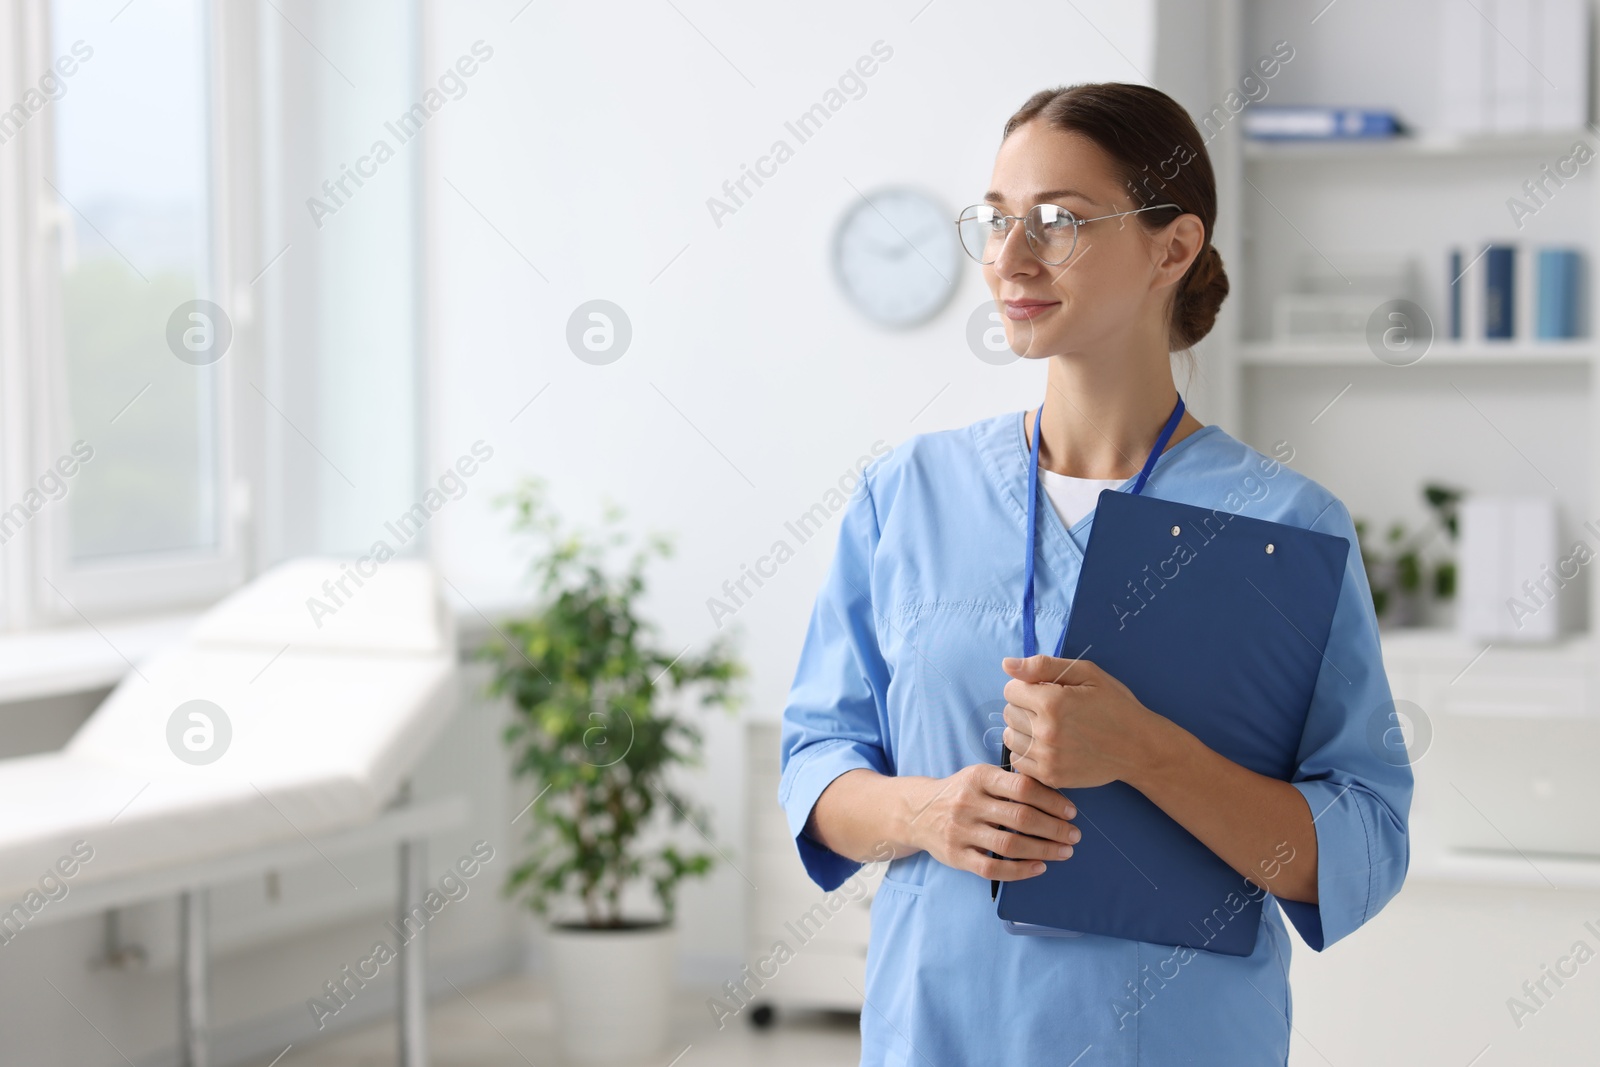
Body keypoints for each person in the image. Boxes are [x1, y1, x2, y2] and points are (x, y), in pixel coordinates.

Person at [776, 82, 1412, 1065]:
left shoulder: (1285, 524)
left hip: (1175, 1036)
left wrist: (1146, 749)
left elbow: (1358, 840)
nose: (1009, 259)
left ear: (1172, 248)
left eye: (1059, 222)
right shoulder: (908, 491)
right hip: (940, 1026)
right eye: (996, 219)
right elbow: (817, 760)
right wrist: (926, 810)